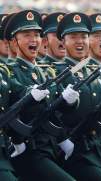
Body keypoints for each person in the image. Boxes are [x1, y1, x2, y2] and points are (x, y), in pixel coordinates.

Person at [3, 9, 76, 181]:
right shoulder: (10, 72)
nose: (33, 39)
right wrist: (29, 95)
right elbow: (13, 105)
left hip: (50, 147)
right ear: (14, 42)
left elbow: (55, 109)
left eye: (36, 34)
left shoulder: (47, 72)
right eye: (27, 35)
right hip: (29, 150)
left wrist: (70, 101)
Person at [54, 12, 101, 181]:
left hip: (96, 147)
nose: (80, 41)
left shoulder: (93, 71)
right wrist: (62, 139)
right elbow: (48, 113)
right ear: (63, 42)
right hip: (73, 150)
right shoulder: (57, 72)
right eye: (73, 37)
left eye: (84, 36)